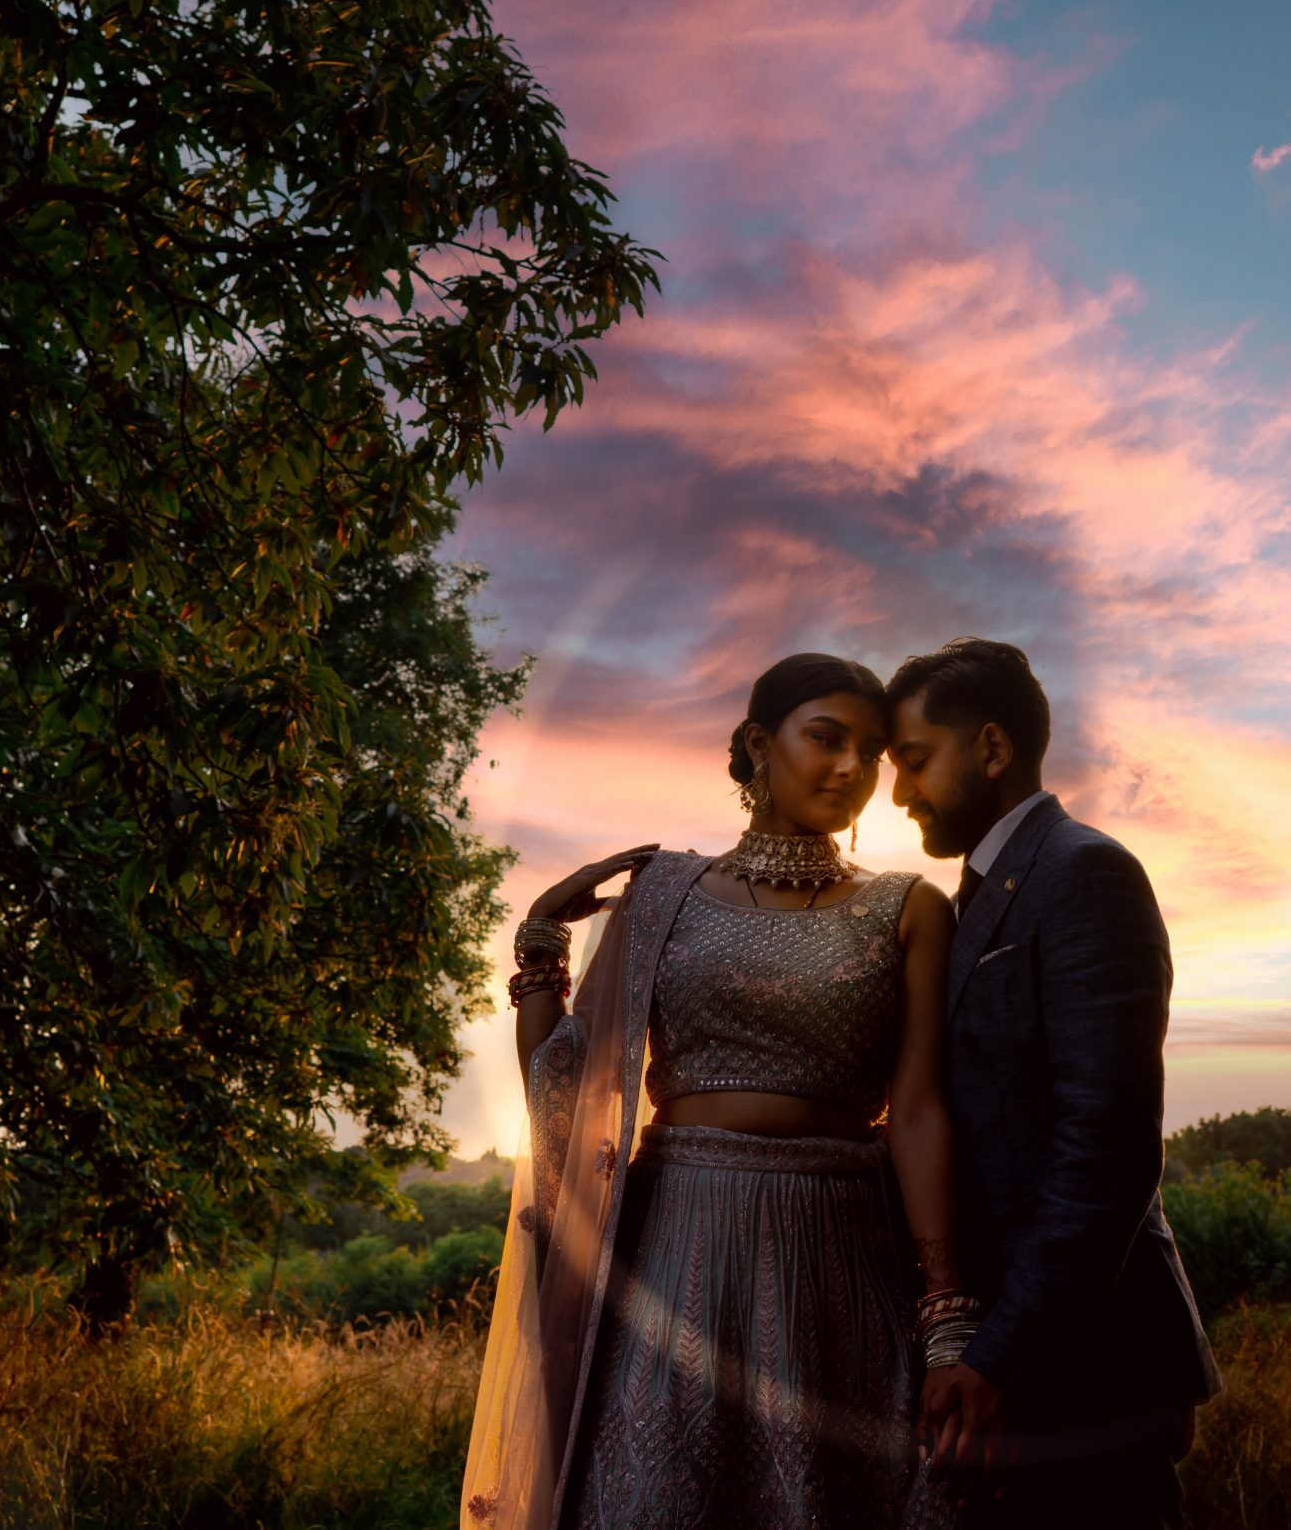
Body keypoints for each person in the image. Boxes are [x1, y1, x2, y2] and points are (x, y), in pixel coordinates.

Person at [460, 653, 970, 1530]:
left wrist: (950, 1314)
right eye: (827, 737)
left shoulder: (910, 907)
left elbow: (920, 1112)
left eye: (874, 750)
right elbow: (563, 1091)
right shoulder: (664, 895)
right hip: (676, 1253)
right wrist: (540, 945)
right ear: (755, 745)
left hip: (839, 1257)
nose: (852, 768)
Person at [887, 638, 1218, 1530]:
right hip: (1014, 1368)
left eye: (915, 760)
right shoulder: (975, 898)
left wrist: (997, 1357)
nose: (898, 793)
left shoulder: (1084, 872)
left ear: (991, 749)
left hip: (1090, 1367)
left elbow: (1106, 1153)